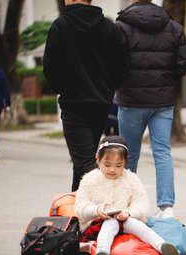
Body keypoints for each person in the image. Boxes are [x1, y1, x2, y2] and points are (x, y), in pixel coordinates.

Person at [115, 0, 186, 219]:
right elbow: (183, 60)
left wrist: (122, 83)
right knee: (162, 152)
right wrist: (168, 81)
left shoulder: (122, 27)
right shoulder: (173, 26)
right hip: (163, 101)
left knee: (129, 155)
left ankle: (127, 205)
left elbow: (115, 61)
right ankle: (166, 207)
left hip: (131, 99)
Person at [43, 0, 126, 191]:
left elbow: (49, 67)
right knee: (83, 159)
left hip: (74, 104)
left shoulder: (60, 26)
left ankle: (107, 204)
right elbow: (122, 65)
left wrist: (62, 88)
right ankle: (79, 212)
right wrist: (108, 89)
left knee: (85, 163)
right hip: (101, 102)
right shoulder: (109, 27)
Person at [74, 136, 182, 255]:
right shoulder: (89, 180)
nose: (113, 170)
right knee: (111, 222)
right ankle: (102, 252)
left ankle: (162, 245)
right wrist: (96, 210)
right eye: (107, 165)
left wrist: (129, 212)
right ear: (98, 159)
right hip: (98, 224)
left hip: (125, 221)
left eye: (118, 165)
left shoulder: (131, 179)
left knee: (133, 223)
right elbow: (80, 207)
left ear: (125, 162)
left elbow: (142, 203)